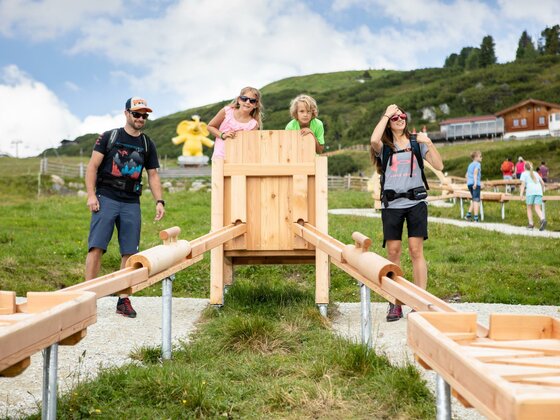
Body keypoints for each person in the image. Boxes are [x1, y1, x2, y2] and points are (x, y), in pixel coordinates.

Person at [85, 97, 165, 318]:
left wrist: (159, 201)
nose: (140, 118)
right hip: (106, 196)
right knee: (97, 246)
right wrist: (91, 195)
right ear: (126, 113)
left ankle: (123, 299)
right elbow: (92, 167)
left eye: (144, 115)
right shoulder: (109, 137)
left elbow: (153, 175)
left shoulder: (147, 143)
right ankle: (87, 297)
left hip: (131, 200)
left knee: (130, 252)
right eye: (136, 114)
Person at [369, 104, 443, 322]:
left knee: (415, 250)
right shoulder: (384, 146)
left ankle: (420, 301)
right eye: (395, 117)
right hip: (392, 205)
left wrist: (428, 142)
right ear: (389, 121)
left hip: (416, 203)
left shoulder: (416, 142)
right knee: (393, 252)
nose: (400, 119)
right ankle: (395, 302)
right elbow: (374, 139)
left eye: (402, 116)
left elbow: (439, 165)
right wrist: (385, 113)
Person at [207, 87, 263, 159]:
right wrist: (222, 135)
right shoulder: (227, 111)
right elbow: (210, 126)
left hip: (239, 159)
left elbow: (250, 146)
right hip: (220, 156)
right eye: (244, 98)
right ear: (239, 100)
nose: (247, 102)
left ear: (256, 105)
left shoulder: (253, 124)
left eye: (252, 101)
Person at [519, 161, 547, 231]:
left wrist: (521, 195)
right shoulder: (536, 173)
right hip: (539, 191)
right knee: (537, 208)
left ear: (524, 167)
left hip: (530, 192)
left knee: (529, 208)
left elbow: (522, 185)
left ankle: (531, 224)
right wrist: (543, 190)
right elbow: (543, 183)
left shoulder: (524, 174)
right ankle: (543, 219)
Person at [465, 151, 482, 222]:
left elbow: (466, 175)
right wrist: (475, 183)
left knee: (474, 199)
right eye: (480, 156)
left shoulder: (470, 165)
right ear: (476, 157)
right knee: (476, 200)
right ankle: (476, 218)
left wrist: (469, 183)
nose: (481, 158)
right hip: (475, 184)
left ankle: (468, 215)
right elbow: (475, 172)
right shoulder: (478, 164)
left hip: (469, 184)